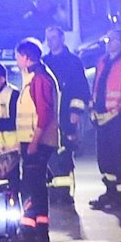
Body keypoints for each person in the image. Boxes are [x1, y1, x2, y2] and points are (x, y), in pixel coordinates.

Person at [11, 39, 61, 242]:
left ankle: (31, 232)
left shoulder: (39, 79)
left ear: (26, 57)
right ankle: (39, 230)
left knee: (32, 186)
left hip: (37, 141)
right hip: (34, 140)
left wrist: (34, 141)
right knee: (36, 185)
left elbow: (44, 113)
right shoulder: (35, 77)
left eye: (17, 56)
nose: (16, 60)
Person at [87, 26, 121, 210]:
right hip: (102, 118)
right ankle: (111, 192)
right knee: (105, 158)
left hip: (119, 119)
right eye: (108, 39)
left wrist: (119, 114)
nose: (110, 43)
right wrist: (93, 108)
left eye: (114, 39)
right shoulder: (102, 62)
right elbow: (98, 88)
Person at [40, 25, 90, 204]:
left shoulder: (73, 62)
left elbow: (81, 89)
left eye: (54, 37)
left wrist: (76, 112)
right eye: (49, 38)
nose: (51, 41)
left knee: (64, 153)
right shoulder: (44, 62)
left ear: (62, 38)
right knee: (49, 153)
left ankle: (65, 193)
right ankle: (53, 191)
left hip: (66, 116)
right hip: (48, 117)